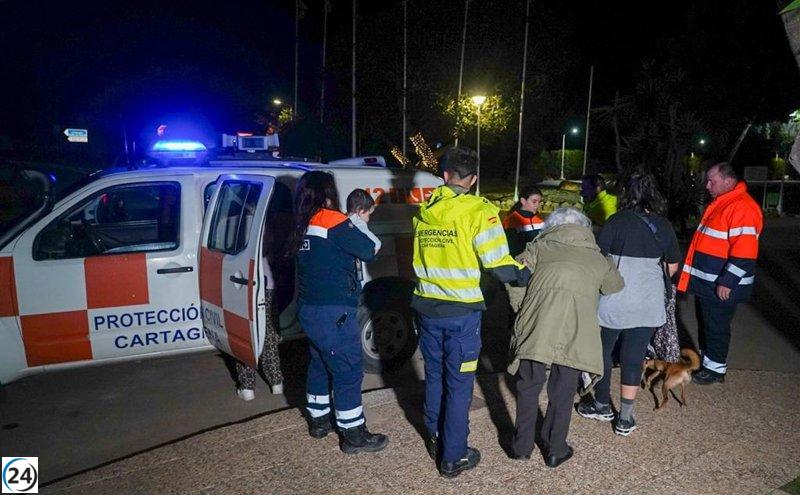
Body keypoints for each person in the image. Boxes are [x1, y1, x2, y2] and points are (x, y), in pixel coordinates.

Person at [412, 146, 530, 478]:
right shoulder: (479, 210)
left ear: (445, 175)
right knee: (460, 383)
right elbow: (497, 263)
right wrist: (525, 275)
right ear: (474, 179)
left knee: (434, 377)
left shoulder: (426, 209)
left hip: (426, 308)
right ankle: (454, 456)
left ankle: (435, 438)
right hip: (461, 314)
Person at [509, 207, 624, 467]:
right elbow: (614, 285)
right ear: (583, 229)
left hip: (538, 322)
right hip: (577, 328)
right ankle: (555, 449)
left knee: (528, 385)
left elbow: (514, 280)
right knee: (563, 390)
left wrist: (522, 309)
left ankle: (521, 447)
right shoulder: (596, 257)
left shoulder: (538, 248)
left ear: (553, 226)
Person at [287, 171, 388, 454]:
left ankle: (318, 421)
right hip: (334, 313)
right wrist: (355, 222)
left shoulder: (301, 222)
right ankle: (354, 434)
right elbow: (369, 250)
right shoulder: (331, 219)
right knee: (348, 370)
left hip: (310, 310)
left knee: (319, 363)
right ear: (328, 192)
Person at [577, 172, 680, 436]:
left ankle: (601, 405)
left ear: (626, 194)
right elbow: (672, 266)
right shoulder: (663, 225)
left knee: (603, 350)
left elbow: (600, 261)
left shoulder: (615, 222)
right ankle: (625, 418)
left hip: (613, 301)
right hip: (647, 303)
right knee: (633, 358)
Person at [677, 162, 763, 385]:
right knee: (708, 323)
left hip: (721, 284)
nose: (707, 185)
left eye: (711, 181)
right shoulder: (726, 203)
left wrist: (728, 281)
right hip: (710, 283)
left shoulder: (741, 207)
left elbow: (745, 252)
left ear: (728, 180)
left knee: (716, 326)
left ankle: (715, 370)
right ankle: (708, 364)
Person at [502, 184, 545, 257]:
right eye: (534, 202)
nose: (537, 205)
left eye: (539, 202)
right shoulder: (511, 221)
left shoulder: (540, 220)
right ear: (523, 201)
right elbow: (511, 248)